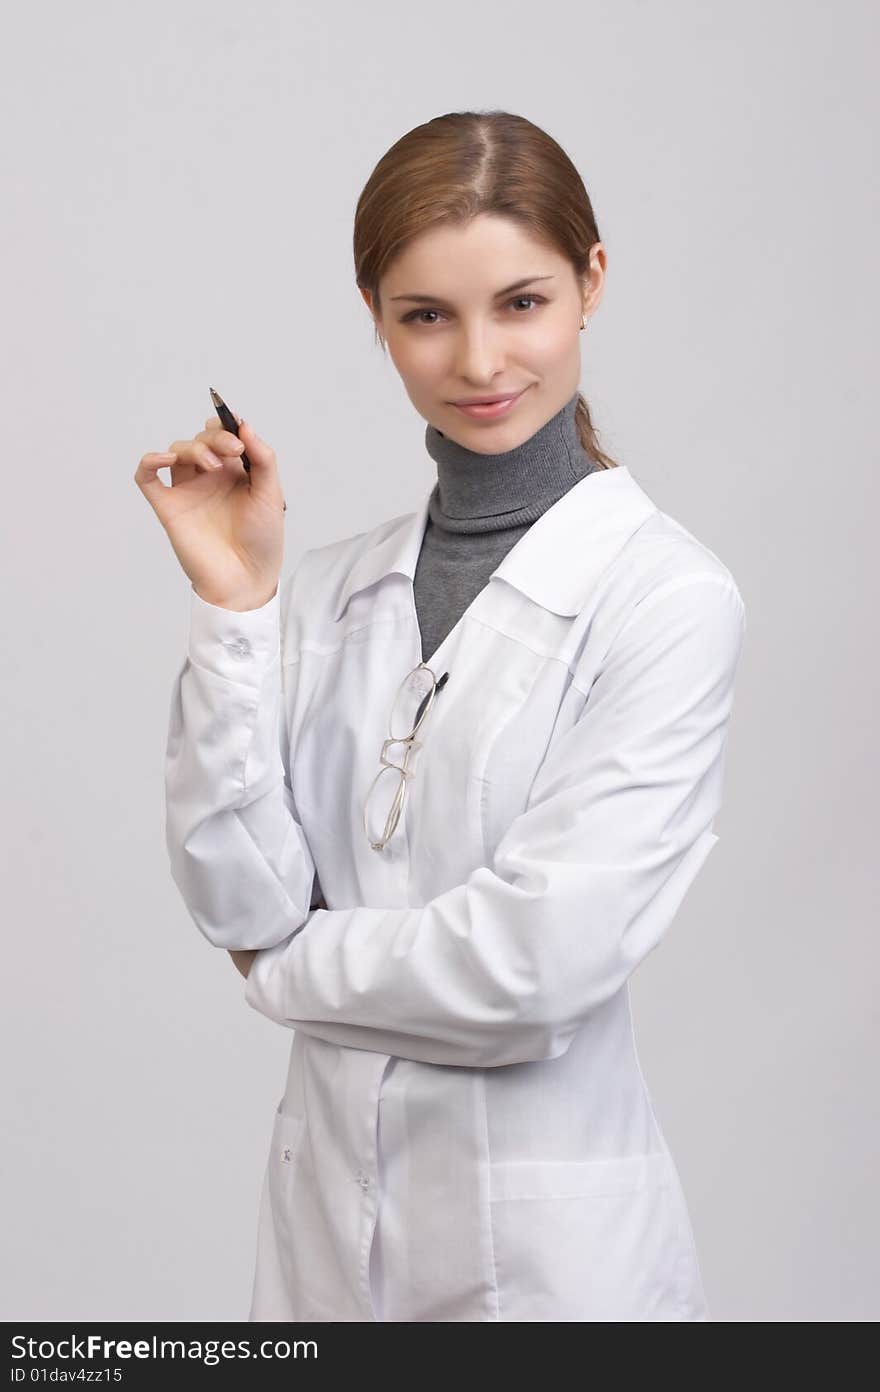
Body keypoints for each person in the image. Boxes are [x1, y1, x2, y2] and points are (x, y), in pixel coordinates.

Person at [136, 110, 746, 1322]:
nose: (479, 363)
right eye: (427, 316)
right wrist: (239, 606)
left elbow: (534, 969)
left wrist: (288, 969)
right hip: (326, 1250)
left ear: (591, 284)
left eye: (521, 303)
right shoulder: (324, 592)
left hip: (555, 1278)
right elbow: (235, 898)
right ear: (375, 315)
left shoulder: (668, 600)